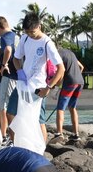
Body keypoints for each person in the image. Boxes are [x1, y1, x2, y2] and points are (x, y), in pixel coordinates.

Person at [12, 13, 65, 142]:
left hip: (38, 87)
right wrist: (20, 71)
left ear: (39, 26)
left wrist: (48, 88)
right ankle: (16, 144)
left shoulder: (47, 43)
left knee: (39, 120)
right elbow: (16, 58)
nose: (30, 34)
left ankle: (42, 149)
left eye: (32, 32)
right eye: (27, 32)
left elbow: (61, 69)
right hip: (23, 84)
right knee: (11, 113)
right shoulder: (24, 38)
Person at [0, 16, 19, 146]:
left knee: (3, 106)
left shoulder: (5, 37)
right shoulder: (16, 35)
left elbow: (8, 50)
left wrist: (3, 64)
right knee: (12, 106)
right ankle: (12, 135)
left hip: (9, 75)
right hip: (18, 76)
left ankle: (5, 136)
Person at [55, 48, 85, 141]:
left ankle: (59, 133)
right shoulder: (70, 53)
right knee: (72, 107)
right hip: (80, 82)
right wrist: (76, 76)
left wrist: (57, 86)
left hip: (69, 83)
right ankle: (76, 134)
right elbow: (81, 67)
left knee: (60, 108)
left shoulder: (57, 54)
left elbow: (61, 70)